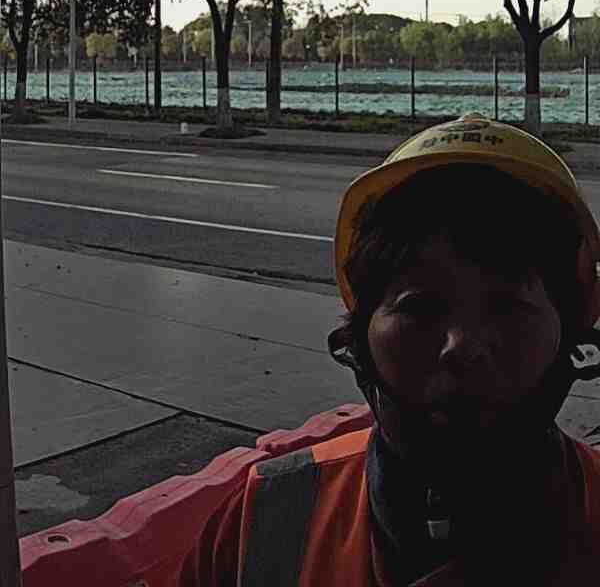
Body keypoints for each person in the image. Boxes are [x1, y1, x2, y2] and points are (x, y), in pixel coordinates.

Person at [180, 113, 600, 586]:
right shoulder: (259, 524)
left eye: (508, 307)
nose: (462, 346)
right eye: (419, 307)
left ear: (569, 333)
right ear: (359, 336)